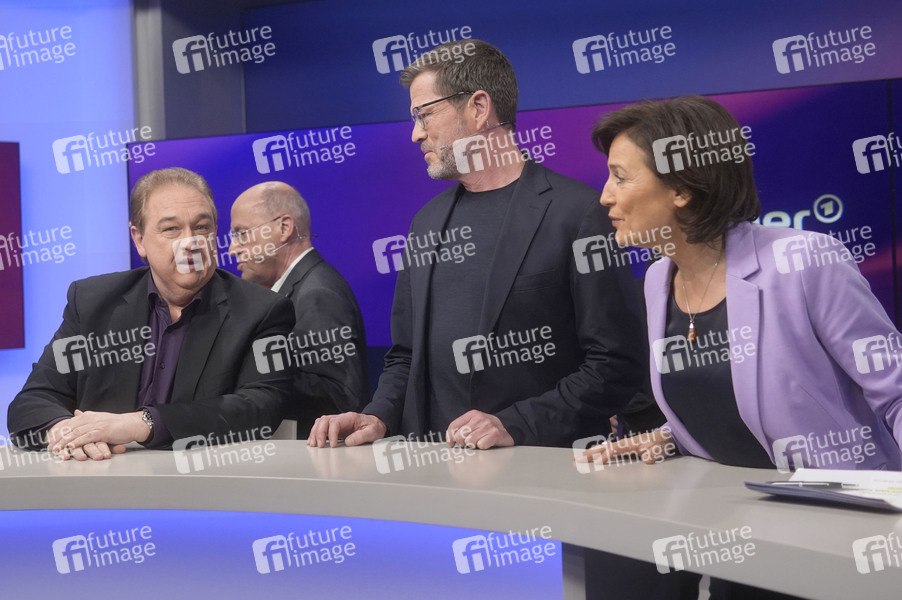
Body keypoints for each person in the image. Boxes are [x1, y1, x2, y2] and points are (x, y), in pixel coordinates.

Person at [309, 39, 644, 449]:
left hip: (542, 472)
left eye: (424, 114)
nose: (416, 134)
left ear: (479, 108)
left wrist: (515, 425)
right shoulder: (426, 223)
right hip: (431, 473)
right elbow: (406, 357)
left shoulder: (577, 213)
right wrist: (378, 416)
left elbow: (614, 366)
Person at [581, 96, 902, 473]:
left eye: (620, 177)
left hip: (847, 502)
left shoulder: (805, 261)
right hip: (730, 505)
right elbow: (721, 398)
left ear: (681, 189)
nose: (605, 196)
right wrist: (672, 435)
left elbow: (895, 393)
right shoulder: (658, 278)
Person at [7, 167, 294, 460]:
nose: (190, 242)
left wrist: (142, 423)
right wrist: (67, 432)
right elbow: (33, 400)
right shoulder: (92, 302)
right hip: (98, 476)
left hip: (201, 479)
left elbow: (262, 406)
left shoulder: (261, 311)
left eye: (202, 227)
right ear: (140, 239)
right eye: (171, 229)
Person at [228, 181, 368, 435]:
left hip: (317, 454)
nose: (232, 249)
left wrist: (244, 372)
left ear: (284, 228)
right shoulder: (294, 290)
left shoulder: (317, 293)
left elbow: (341, 396)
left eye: (242, 234)